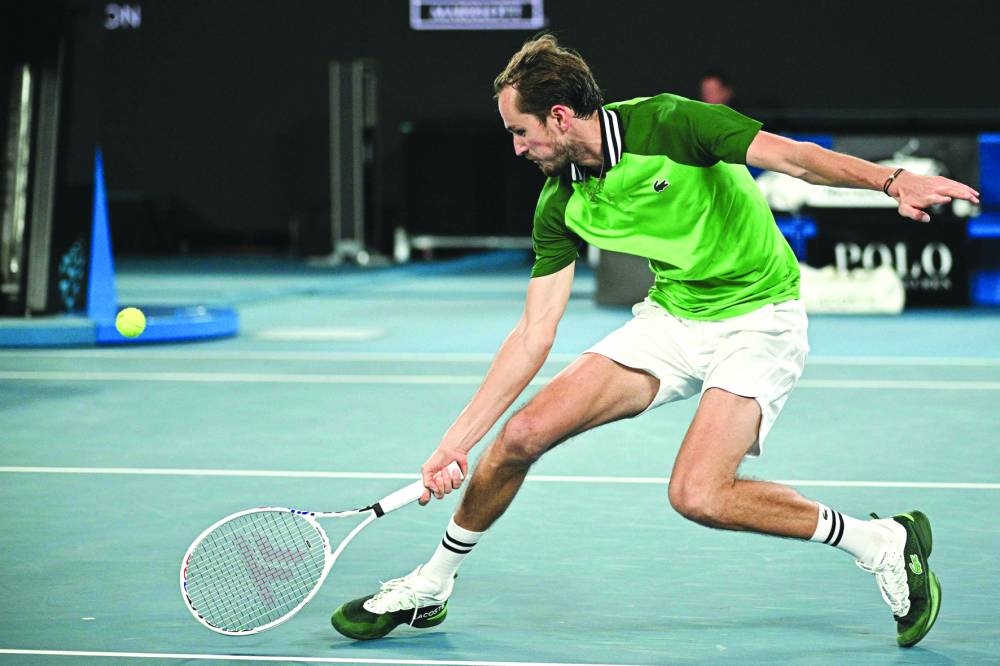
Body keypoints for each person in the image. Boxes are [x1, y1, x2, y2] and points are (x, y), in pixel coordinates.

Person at [330, 34, 980, 648]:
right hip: (672, 320)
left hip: (760, 321)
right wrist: (454, 445)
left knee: (699, 494)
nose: (516, 148)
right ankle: (431, 583)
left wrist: (891, 181)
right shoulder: (560, 201)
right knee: (521, 435)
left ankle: (878, 542)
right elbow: (533, 335)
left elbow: (796, 159)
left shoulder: (672, 124)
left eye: (519, 132)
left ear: (559, 117)